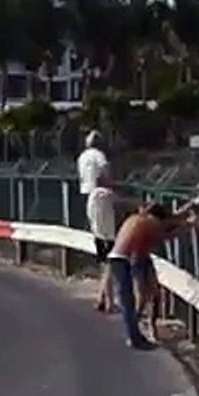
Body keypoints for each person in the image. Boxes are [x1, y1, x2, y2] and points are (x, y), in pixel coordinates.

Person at [106, 200, 199, 349]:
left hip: (132, 256)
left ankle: (137, 332)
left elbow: (170, 220)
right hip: (127, 258)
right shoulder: (151, 223)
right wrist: (190, 224)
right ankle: (135, 337)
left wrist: (187, 210)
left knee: (140, 297)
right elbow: (167, 234)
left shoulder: (140, 218)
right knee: (130, 300)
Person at [77, 131, 118, 312]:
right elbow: (106, 173)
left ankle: (103, 296)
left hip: (90, 200)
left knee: (102, 248)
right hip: (102, 198)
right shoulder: (99, 156)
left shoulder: (82, 157)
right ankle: (109, 300)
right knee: (110, 250)